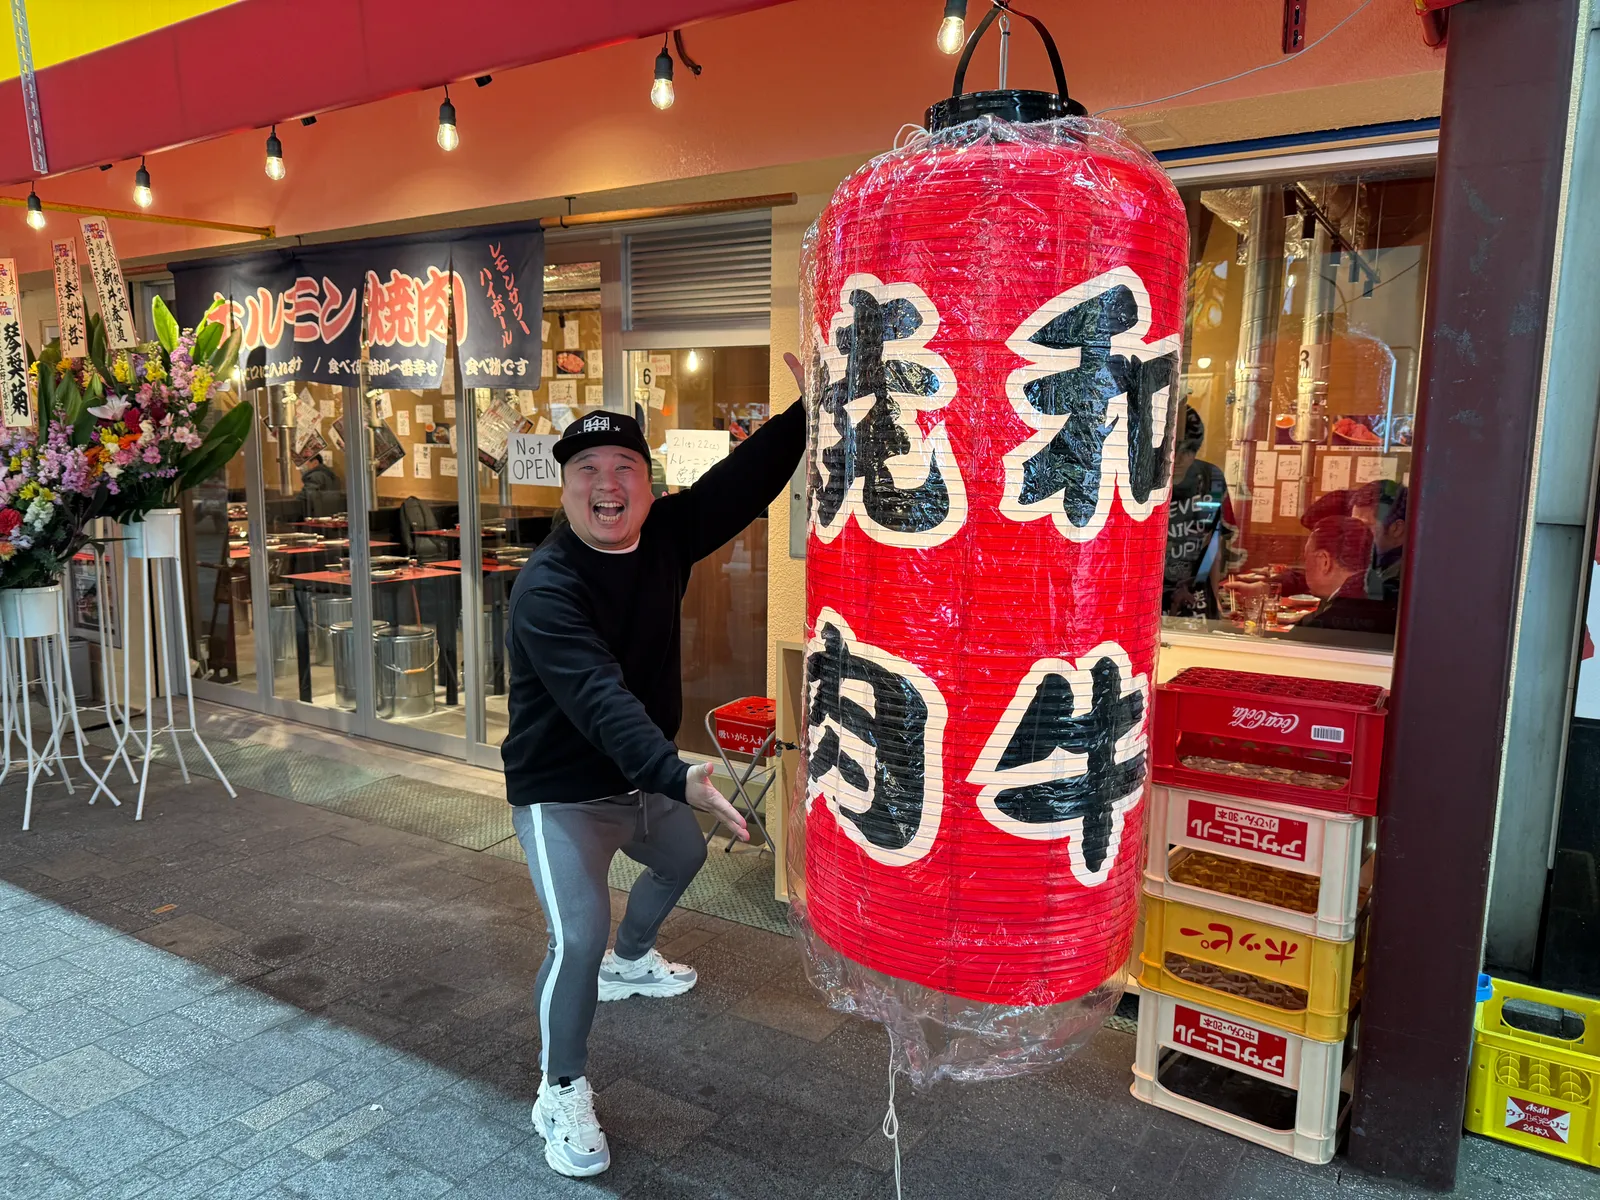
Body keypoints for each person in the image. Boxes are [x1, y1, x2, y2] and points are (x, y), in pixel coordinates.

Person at [502, 357, 806, 1179]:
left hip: (640, 779)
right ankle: (558, 1086)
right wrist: (674, 771)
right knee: (577, 938)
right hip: (561, 791)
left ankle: (634, 960)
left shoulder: (666, 534)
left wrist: (812, 408)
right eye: (588, 472)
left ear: (648, 482)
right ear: (564, 489)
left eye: (625, 469)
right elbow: (599, 697)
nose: (608, 485)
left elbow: (741, 484)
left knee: (682, 856)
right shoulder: (545, 588)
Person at [1163, 405, 1241, 618]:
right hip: (1150, 592)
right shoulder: (1144, 483)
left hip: (1196, 592)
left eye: (1188, 451)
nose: (1179, 459)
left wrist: (1215, 601)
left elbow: (1215, 543)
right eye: (1173, 449)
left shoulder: (1211, 477)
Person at [1294, 516, 1396, 635]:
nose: (1305, 568)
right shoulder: (1387, 594)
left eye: (1306, 559)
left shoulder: (1327, 625)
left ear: (1324, 562)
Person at [1350, 479, 1408, 603]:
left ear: (1397, 529)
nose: (1356, 535)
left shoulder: (1406, 581)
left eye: (1366, 527)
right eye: (1354, 526)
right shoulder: (1377, 562)